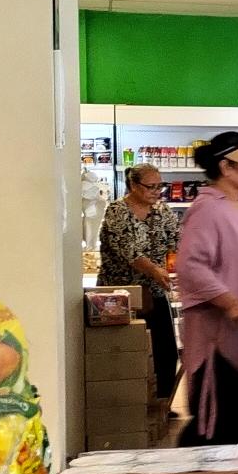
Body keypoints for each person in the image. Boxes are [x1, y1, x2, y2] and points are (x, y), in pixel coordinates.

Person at [175, 131, 238, 445]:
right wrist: (230, 302)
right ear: (226, 166)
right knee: (221, 428)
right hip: (218, 341)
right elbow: (191, 266)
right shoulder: (208, 210)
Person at [97, 163, 180, 400]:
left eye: (159, 186)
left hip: (154, 291)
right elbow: (129, 251)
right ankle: (126, 401)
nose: (156, 191)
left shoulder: (162, 211)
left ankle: (162, 403)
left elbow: (177, 240)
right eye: (150, 186)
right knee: (124, 350)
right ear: (133, 185)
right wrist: (155, 270)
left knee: (166, 350)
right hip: (120, 294)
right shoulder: (117, 211)